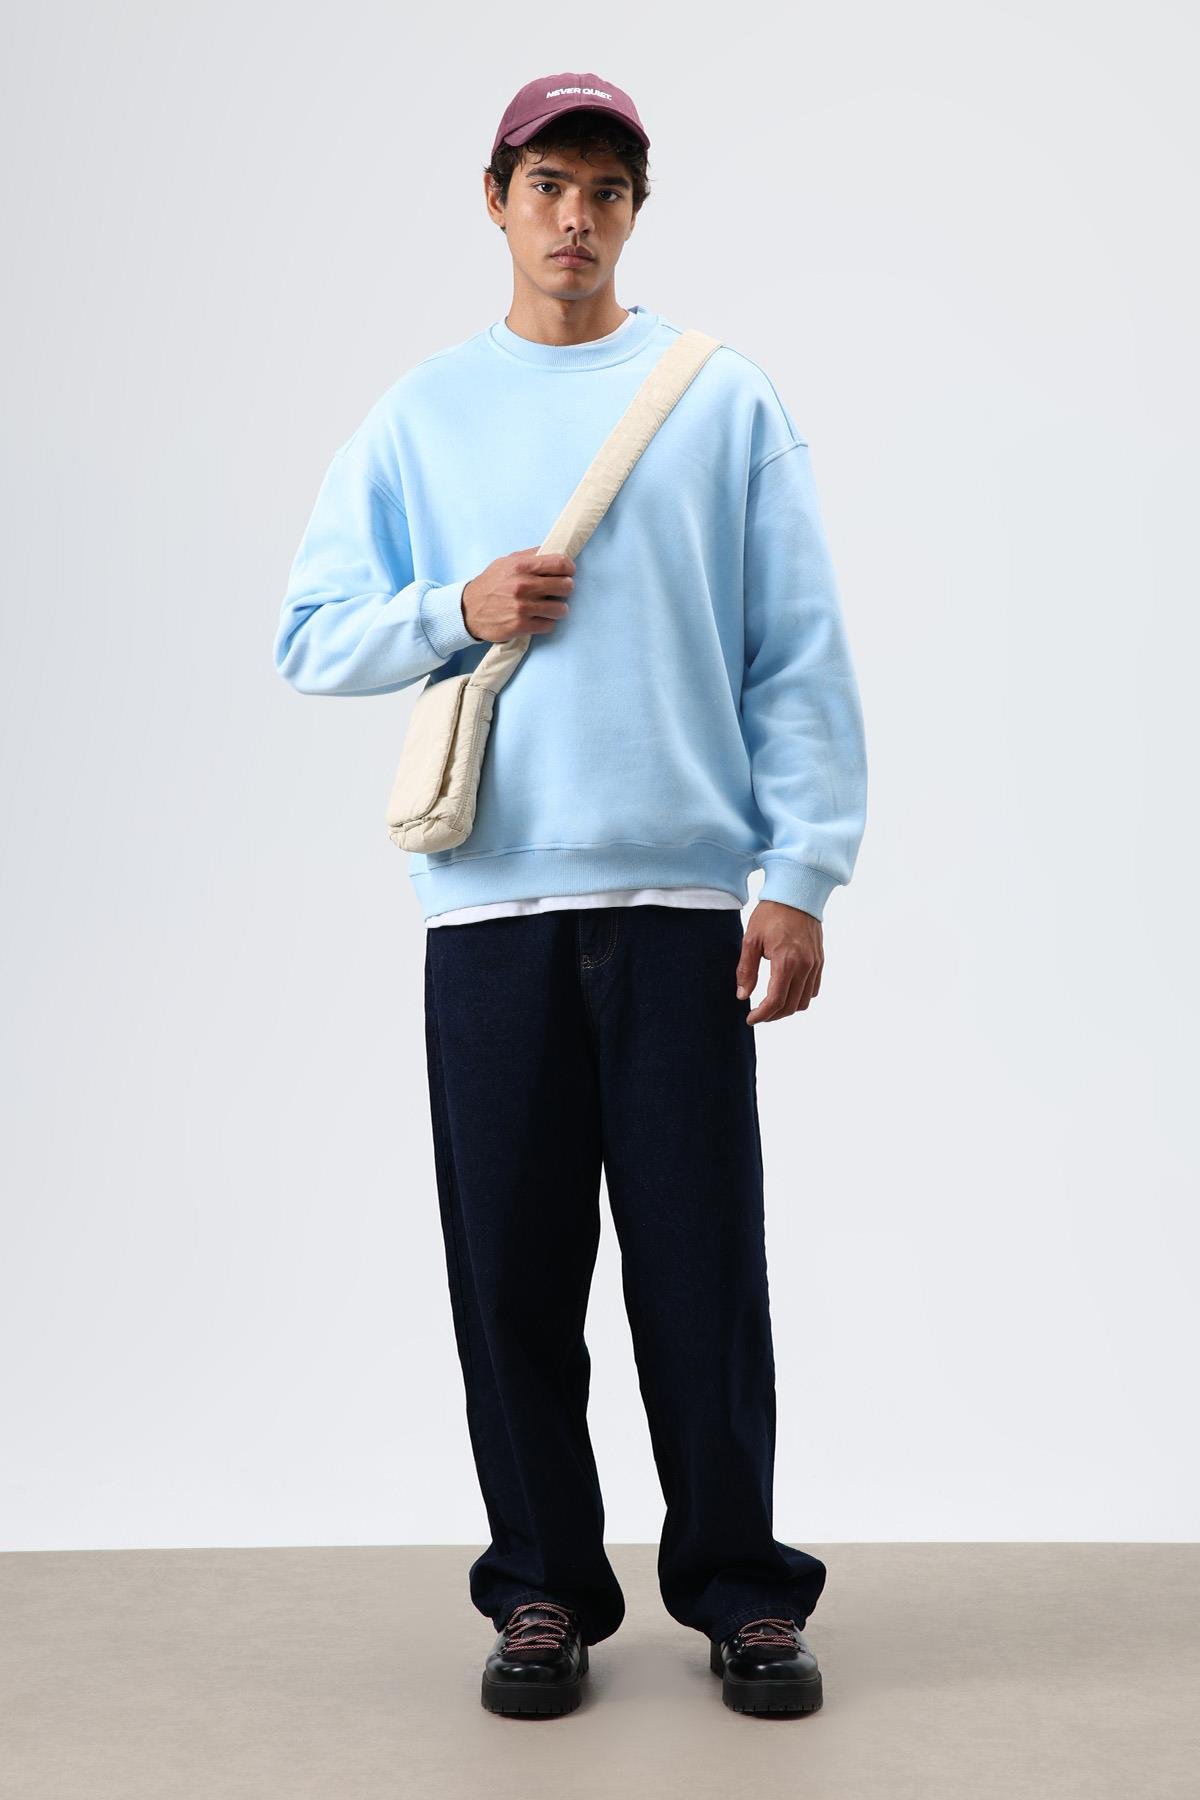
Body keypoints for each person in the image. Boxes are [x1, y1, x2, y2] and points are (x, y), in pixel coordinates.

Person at [273, 70, 868, 1720]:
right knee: (512, 1278)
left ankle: (742, 1592)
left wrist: (800, 873)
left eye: (606, 189)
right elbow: (308, 632)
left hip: (682, 906)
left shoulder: (721, 400)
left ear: (635, 211)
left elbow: (797, 651)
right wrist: (451, 608)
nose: (576, 218)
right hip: (488, 912)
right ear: (495, 199)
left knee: (702, 1273)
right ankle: (541, 1592)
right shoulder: (421, 416)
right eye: (548, 185)